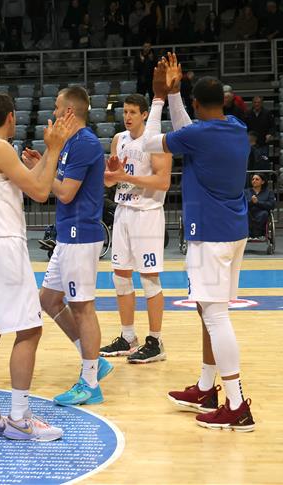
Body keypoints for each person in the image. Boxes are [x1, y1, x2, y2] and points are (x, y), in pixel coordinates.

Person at [143, 52, 255, 431]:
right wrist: (177, 94)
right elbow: (189, 132)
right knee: (207, 310)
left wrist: (160, 96)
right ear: (221, 101)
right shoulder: (236, 126)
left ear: (195, 103)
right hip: (233, 230)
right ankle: (207, 388)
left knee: (216, 315)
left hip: (210, 233)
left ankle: (237, 404)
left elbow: (148, 144)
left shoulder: (199, 135)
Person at [0, 92, 76, 442]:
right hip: (2, 245)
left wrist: (46, 151)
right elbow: (41, 191)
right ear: (11, 117)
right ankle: (18, 418)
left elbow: (32, 182)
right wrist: (56, 149)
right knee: (29, 330)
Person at [39, 86, 113, 406]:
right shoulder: (70, 143)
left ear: (69, 112)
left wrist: (47, 170)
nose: (54, 114)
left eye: (57, 108)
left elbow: (66, 193)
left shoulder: (84, 143)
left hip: (81, 235)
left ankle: (89, 382)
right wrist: (45, 158)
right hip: (68, 234)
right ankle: (92, 357)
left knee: (83, 307)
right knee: (49, 300)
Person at [100, 91, 172, 363]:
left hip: (147, 214)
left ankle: (155, 341)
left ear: (145, 114)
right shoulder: (118, 140)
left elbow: (163, 182)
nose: (127, 117)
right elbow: (110, 181)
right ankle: (128, 337)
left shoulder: (156, 141)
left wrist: (123, 175)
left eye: (132, 112)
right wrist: (113, 174)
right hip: (123, 211)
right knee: (120, 276)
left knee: (149, 279)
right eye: (125, 112)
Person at [246, 173, 275, 240]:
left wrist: (257, 202)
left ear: (262, 182)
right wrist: (251, 202)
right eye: (253, 179)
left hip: (261, 212)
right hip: (249, 211)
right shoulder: (246, 192)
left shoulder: (268, 192)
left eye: (257, 179)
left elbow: (271, 205)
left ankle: (257, 234)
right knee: (245, 214)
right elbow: (242, 204)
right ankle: (249, 234)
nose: (254, 181)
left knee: (264, 214)